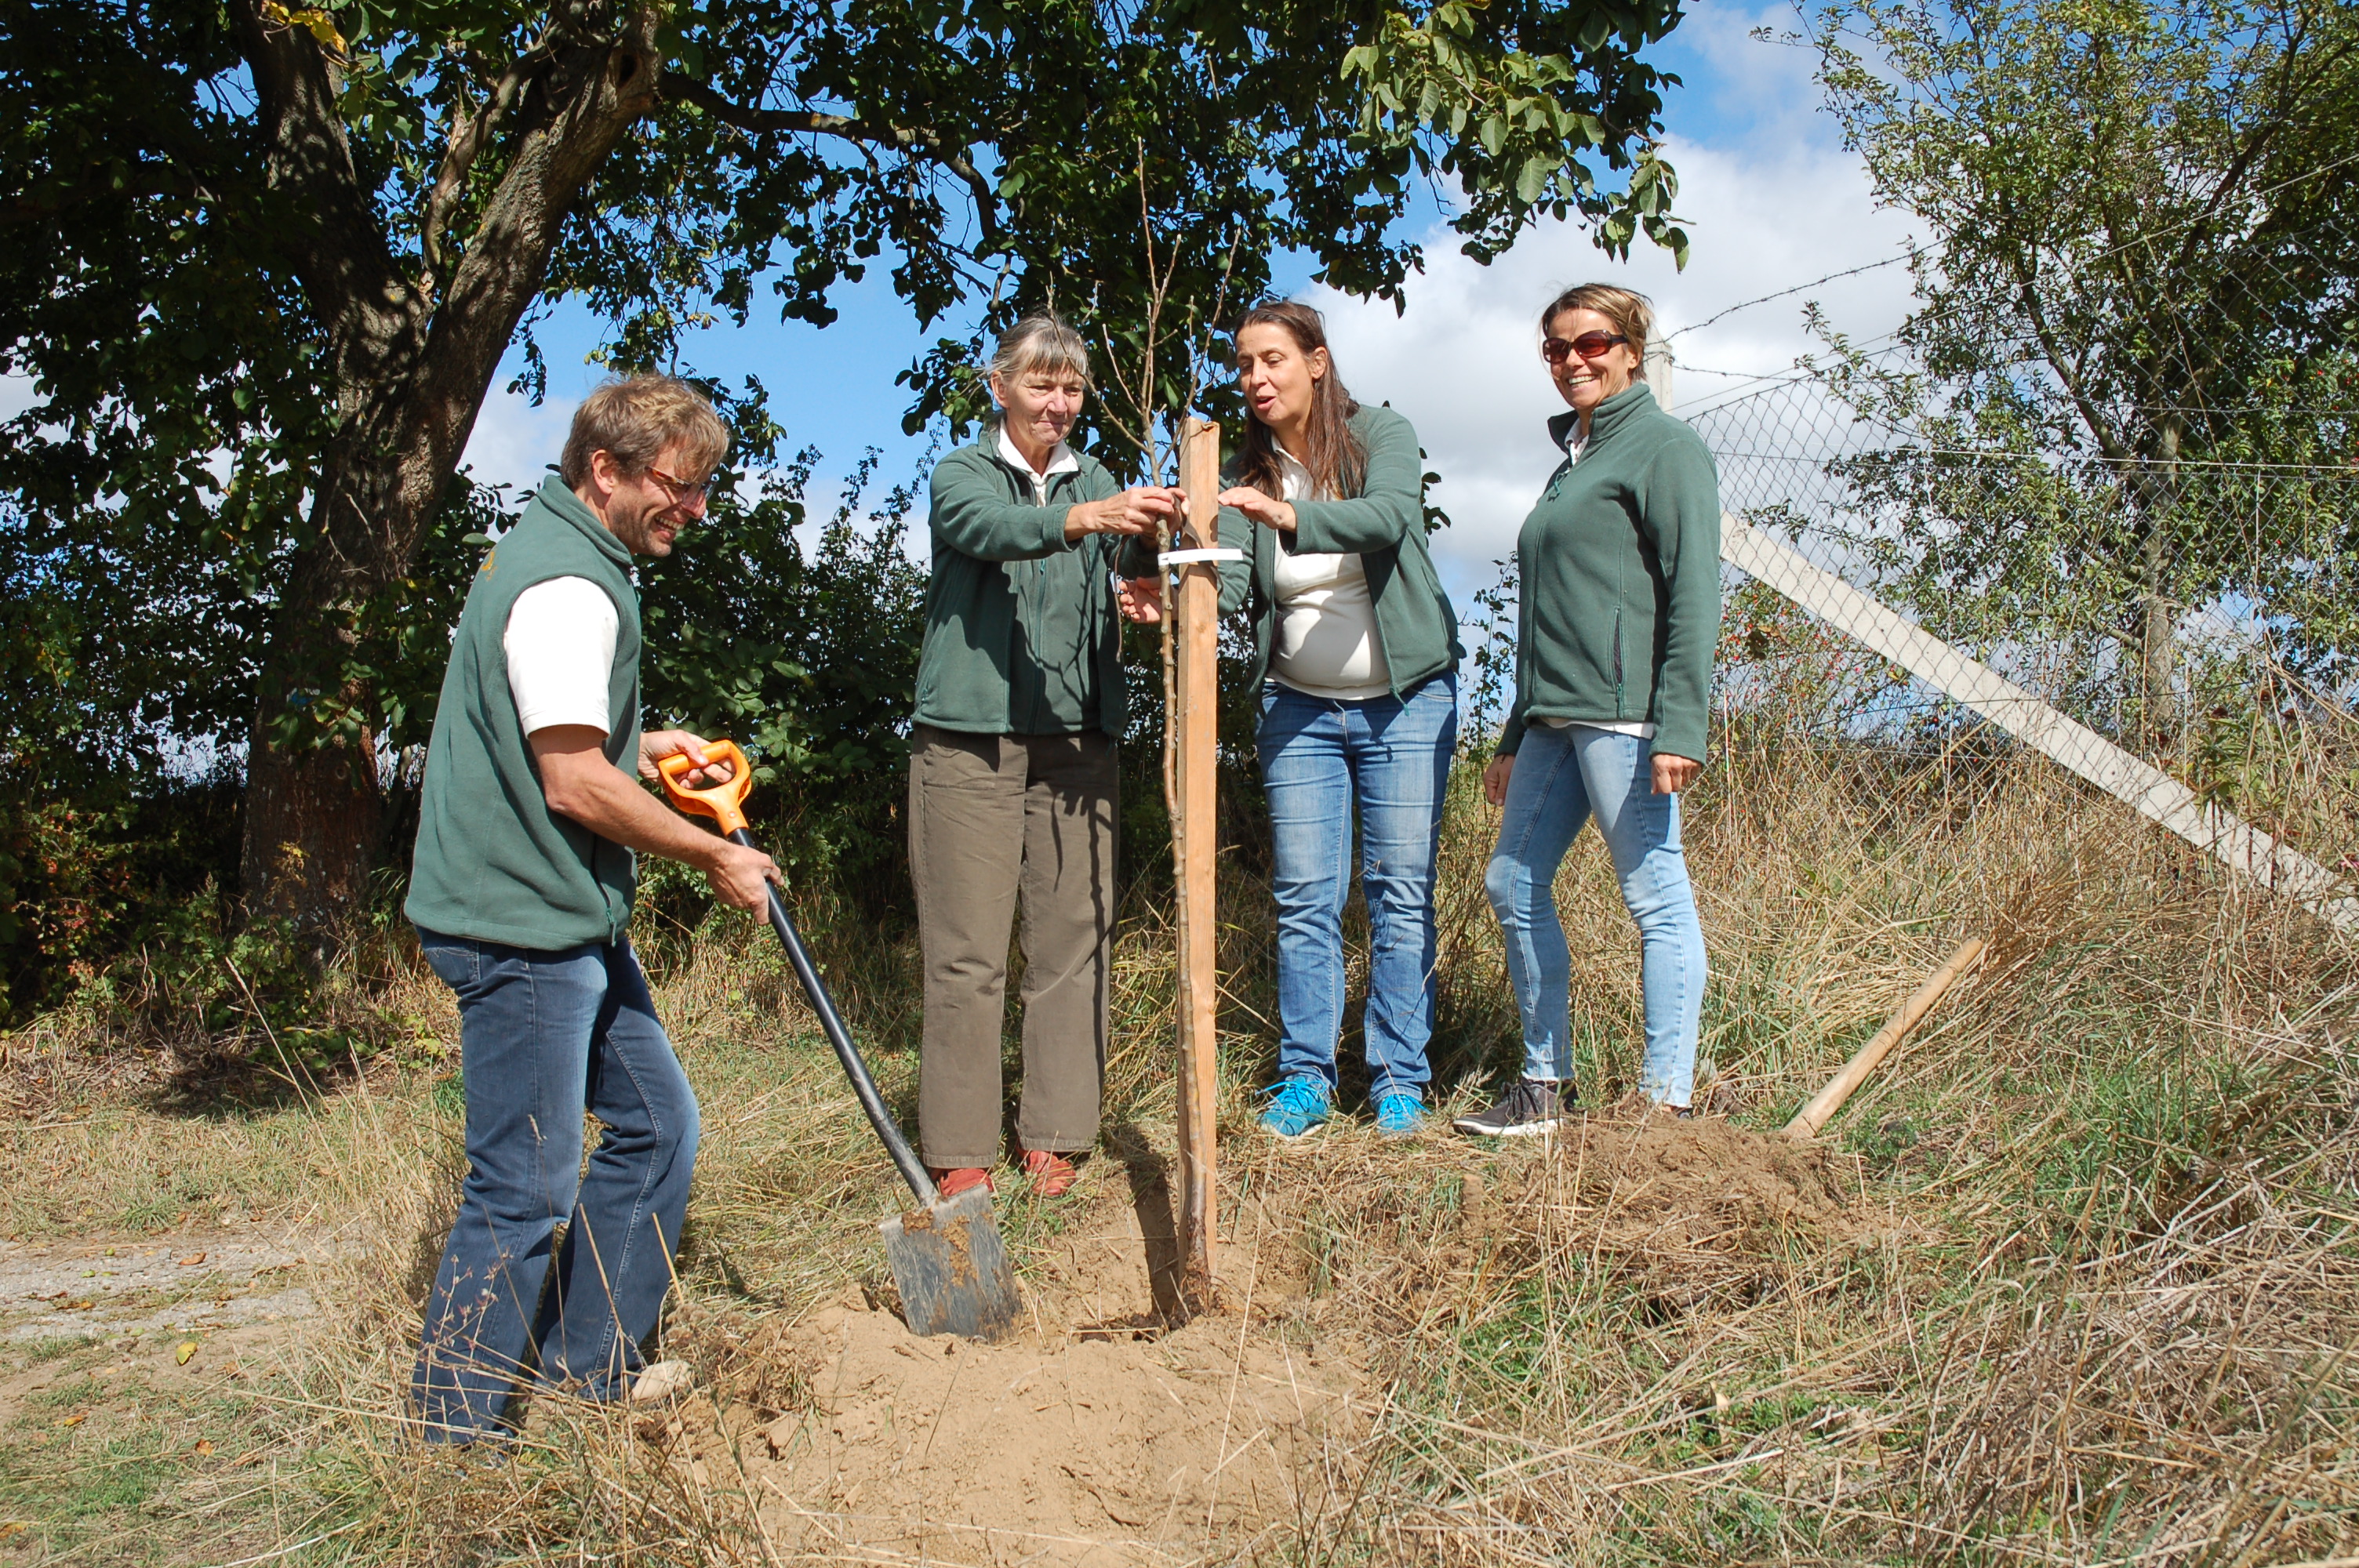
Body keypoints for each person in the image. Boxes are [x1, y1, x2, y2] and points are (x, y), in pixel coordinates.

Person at [404, 376, 781, 1443]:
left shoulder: (570, 559)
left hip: (562, 916)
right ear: (605, 469)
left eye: (705, 490)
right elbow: (572, 784)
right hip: (516, 923)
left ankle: (585, 1373)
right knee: (524, 1187)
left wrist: (641, 745)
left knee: (658, 1126)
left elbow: (569, 740)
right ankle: (452, 1439)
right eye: (679, 486)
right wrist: (716, 853)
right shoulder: (567, 583)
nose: (693, 509)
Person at [910, 313, 1176, 1200]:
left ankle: (1055, 1135)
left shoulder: (1096, 474)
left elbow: (1131, 566)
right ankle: (959, 1150)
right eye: (1040, 384)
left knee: (1070, 939)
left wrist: (1145, 558)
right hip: (967, 738)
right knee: (967, 950)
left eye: (1070, 389)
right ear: (1000, 386)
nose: (1057, 404)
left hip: (1076, 739)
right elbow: (989, 530)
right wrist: (1088, 516)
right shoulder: (962, 472)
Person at [1456, 285, 1721, 1137]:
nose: (1573, 359)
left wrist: (1680, 725)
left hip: (1624, 718)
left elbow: (1693, 593)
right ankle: (1541, 1089)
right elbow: (1548, 613)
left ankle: (1661, 1105)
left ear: (1631, 348)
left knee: (1653, 897)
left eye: (1591, 342)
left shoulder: (1664, 449)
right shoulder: (1571, 458)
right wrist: (1511, 729)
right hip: (1552, 719)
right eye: (1556, 348)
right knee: (1511, 878)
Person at [1209, 301, 1464, 1141]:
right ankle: (1305, 1079)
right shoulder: (1245, 469)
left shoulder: (1377, 434)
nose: (1255, 378)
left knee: (1398, 894)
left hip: (1403, 702)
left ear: (1316, 362)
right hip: (1297, 710)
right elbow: (1239, 589)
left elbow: (1390, 517)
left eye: (1272, 359)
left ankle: (1398, 1078)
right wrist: (1180, 573)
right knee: (1305, 897)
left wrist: (1291, 516)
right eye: (1244, 363)